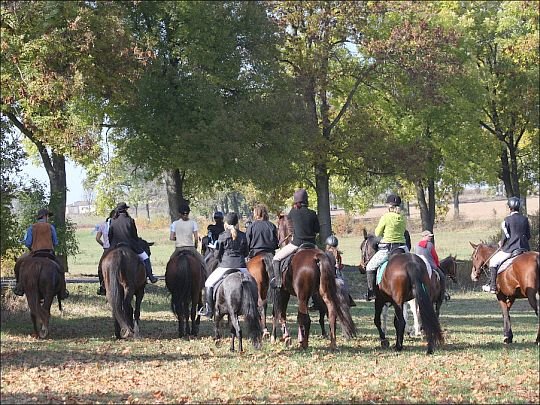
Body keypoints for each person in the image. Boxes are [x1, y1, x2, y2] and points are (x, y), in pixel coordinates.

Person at [198, 212, 249, 318]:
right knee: (254, 284)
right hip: (241, 267)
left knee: (208, 283)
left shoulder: (222, 236)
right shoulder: (243, 235)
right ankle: (255, 308)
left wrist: (219, 257)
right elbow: (246, 253)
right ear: (236, 222)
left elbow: (217, 255)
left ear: (226, 223)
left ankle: (209, 310)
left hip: (225, 266)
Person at [13, 208, 69, 299]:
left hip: (35, 253)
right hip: (49, 253)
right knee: (61, 269)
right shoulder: (51, 227)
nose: (48, 218)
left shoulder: (31, 227)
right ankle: (63, 291)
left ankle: (19, 287)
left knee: (22, 267)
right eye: (48, 216)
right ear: (44, 216)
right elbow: (55, 242)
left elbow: (27, 243)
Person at [272, 188, 320, 289]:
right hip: (312, 245)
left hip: (296, 244)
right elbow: (317, 230)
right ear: (306, 200)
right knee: (327, 259)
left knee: (276, 258)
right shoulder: (312, 213)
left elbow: (290, 229)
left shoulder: (292, 213)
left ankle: (278, 282)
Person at [364, 194, 409, 301]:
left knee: (369, 267)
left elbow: (377, 232)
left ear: (389, 206)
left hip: (388, 249)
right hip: (403, 248)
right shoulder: (403, 217)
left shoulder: (386, 217)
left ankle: (371, 292)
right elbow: (403, 232)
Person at [483, 197, 531, 293]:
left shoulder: (506, 220)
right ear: (519, 207)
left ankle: (492, 287)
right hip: (525, 249)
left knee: (493, 261)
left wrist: (501, 243)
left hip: (512, 249)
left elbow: (506, 237)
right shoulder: (525, 219)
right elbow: (528, 236)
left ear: (510, 208)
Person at [108, 202, 158, 283]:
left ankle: (103, 282)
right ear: (125, 210)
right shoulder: (130, 220)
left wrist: (112, 245)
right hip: (130, 244)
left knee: (104, 260)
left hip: (115, 245)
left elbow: (110, 235)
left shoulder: (112, 221)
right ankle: (151, 276)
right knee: (145, 257)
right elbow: (134, 235)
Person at [169, 203, 206, 268]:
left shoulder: (174, 224)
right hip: (190, 248)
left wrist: (178, 238)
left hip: (179, 248)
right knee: (203, 262)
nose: (185, 215)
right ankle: (206, 275)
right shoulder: (193, 223)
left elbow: (171, 238)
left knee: (170, 263)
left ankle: (168, 277)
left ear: (179, 214)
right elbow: (196, 238)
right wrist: (195, 246)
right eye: (185, 214)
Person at [95, 209, 115, 295]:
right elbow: (97, 238)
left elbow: (97, 238)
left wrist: (104, 244)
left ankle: (102, 286)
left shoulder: (103, 225)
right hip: (116, 247)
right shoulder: (117, 224)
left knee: (100, 268)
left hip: (107, 249)